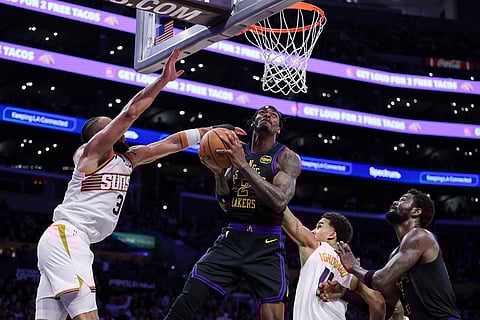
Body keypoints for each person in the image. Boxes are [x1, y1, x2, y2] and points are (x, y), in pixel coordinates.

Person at [35, 48, 246, 320]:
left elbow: (170, 144)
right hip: (67, 236)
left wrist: (213, 130)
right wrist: (162, 81)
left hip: (76, 242)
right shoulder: (90, 154)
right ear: (96, 137)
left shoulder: (128, 159)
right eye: (109, 127)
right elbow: (130, 112)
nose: (117, 130)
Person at [165, 105, 302, 320]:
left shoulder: (287, 157)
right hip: (232, 237)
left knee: (274, 315)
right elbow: (225, 203)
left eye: (273, 115)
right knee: (191, 293)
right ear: (253, 122)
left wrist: (243, 166)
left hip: (266, 243)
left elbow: (279, 201)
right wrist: (219, 174)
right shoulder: (236, 151)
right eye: (262, 113)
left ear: (278, 129)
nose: (267, 115)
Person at [335, 188, 461, 320]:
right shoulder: (396, 253)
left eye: (404, 200)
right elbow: (385, 308)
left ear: (416, 211)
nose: (395, 202)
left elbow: (380, 280)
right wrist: (344, 293)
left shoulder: (420, 235)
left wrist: (354, 267)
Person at [281, 207, 385, 320]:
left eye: (319, 226)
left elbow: (282, 210)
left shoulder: (315, 245)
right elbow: (378, 302)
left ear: (332, 235)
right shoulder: (352, 269)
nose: (312, 231)